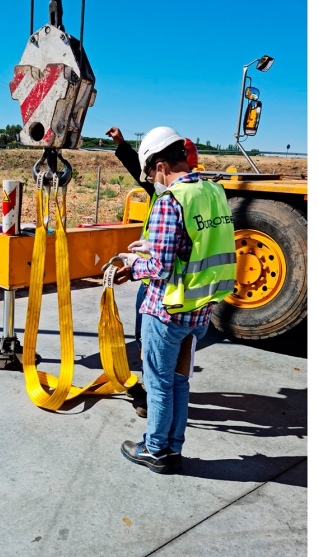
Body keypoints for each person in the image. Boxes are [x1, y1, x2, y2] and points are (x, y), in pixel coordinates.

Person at [112, 126, 236, 474]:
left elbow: (161, 268)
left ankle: (155, 450)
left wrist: (135, 264)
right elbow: (197, 242)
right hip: (200, 309)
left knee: (157, 383)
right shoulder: (213, 191)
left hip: (167, 309)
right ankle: (174, 448)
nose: (152, 181)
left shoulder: (170, 201)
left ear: (162, 165)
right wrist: (152, 244)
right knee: (180, 382)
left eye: (151, 173)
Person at [104, 126, 200, 419]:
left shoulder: (172, 196)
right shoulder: (203, 193)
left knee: (151, 342)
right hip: (192, 291)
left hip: (161, 288)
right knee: (173, 361)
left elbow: (164, 262)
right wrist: (121, 145)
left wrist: (135, 267)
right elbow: (140, 169)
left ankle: (154, 407)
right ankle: (161, 396)